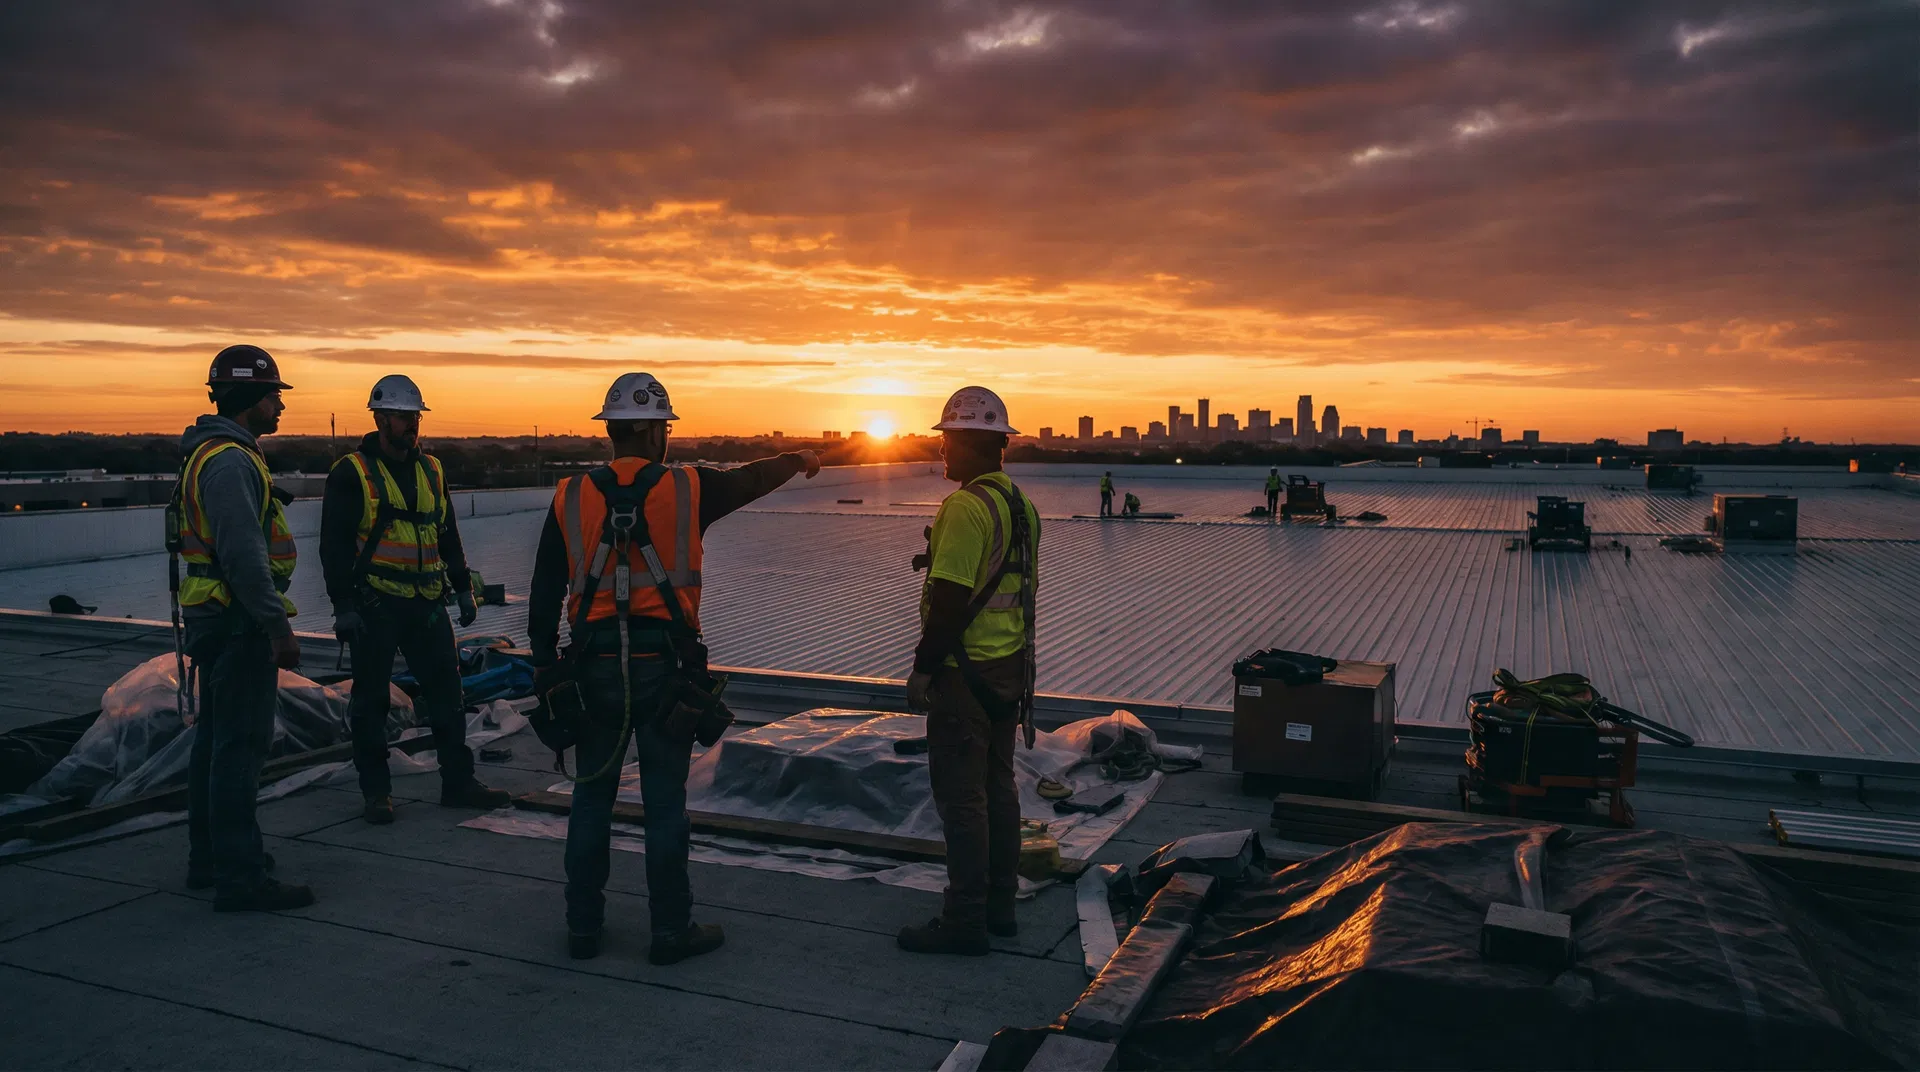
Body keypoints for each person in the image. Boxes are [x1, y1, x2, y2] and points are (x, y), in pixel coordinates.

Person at [526, 372, 821, 963]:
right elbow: (752, 479)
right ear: (660, 433)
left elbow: (541, 595)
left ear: (609, 432)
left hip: (594, 668)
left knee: (591, 798)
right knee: (664, 804)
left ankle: (583, 928)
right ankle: (669, 930)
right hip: (665, 670)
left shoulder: (571, 495)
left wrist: (546, 670)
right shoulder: (689, 489)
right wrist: (799, 457)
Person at [320, 374, 509, 824]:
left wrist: (464, 589)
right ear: (381, 418)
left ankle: (458, 783)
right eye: (405, 418)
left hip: (426, 603)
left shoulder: (432, 470)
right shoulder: (353, 472)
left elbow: (447, 534)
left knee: (448, 694)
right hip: (376, 604)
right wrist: (343, 608)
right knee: (371, 702)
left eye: (415, 418)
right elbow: (334, 547)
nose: (412, 426)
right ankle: (377, 793)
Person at [899, 386, 1040, 956]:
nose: (942, 452)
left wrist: (921, 670)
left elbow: (953, 601)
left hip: (965, 673)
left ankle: (964, 921)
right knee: (998, 789)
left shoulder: (964, 507)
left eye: (947, 440)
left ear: (969, 442)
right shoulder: (1019, 504)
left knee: (962, 801)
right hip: (1009, 669)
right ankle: (1000, 907)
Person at [174, 345, 314, 912]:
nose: (279, 406)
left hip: (219, 619)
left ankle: (212, 858)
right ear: (249, 399)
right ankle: (241, 876)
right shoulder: (230, 461)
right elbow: (244, 558)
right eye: (272, 395)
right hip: (238, 623)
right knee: (239, 750)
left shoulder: (214, 454)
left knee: (215, 745)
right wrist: (278, 627)